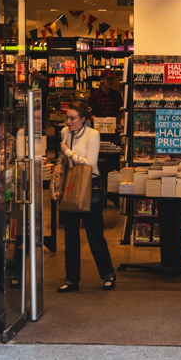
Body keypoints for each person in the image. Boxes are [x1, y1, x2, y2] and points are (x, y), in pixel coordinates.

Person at [57, 100, 116, 292]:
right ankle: (71, 279)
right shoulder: (65, 133)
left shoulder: (93, 135)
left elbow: (90, 163)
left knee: (94, 235)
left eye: (72, 118)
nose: (68, 121)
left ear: (83, 119)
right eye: (67, 117)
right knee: (70, 237)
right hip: (71, 185)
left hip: (91, 186)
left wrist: (69, 153)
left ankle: (108, 274)